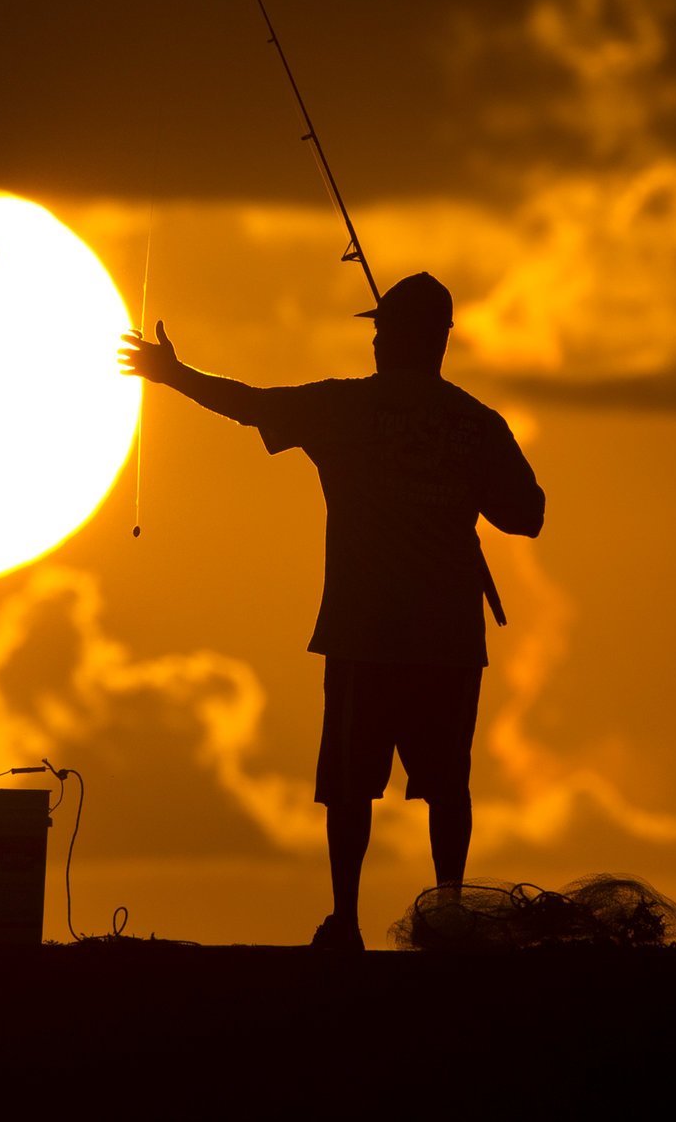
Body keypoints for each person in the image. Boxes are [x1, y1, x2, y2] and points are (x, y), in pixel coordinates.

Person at [118, 272, 544, 950]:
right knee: (447, 786)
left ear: (403, 338)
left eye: (381, 331)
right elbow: (528, 515)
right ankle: (449, 914)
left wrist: (171, 375)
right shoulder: (476, 424)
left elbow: (251, 405)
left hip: (363, 632)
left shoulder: (346, 411)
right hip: (445, 640)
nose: (374, 341)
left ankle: (345, 922)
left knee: (350, 788)